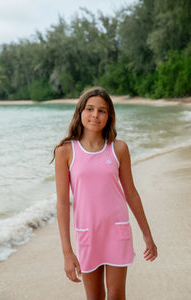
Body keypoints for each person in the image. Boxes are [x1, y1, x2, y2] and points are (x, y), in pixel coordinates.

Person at [52, 87, 157, 300]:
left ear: (109, 116)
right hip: (88, 234)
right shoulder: (65, 151)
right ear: (80, 112)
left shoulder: (118, 149)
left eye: (102, 111)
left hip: (117, 232)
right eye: (90, 109)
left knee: (117, 295)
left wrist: (147, 234)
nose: (95, 115)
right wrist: (67, 252)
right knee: (95, 297)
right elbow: (63, 203)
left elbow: (132, 194)